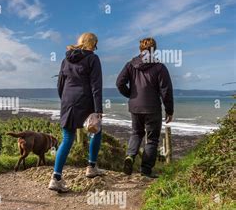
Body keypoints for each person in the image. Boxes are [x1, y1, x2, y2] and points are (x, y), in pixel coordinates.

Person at [49, 32, 104, 193]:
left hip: (68, 102)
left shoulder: (66, 59)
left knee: (67, 138)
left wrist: (65, 100)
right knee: (95, 131)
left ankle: (56, 177)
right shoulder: (93, 59)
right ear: (92, 44)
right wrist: (98, 110)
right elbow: (96, 86)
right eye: (95, 44)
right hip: (85, 102)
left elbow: (60, 84)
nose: (96, 47)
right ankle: (91, 166)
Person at [116, 37, 174, 178]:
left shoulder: (130, 65)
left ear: (140, 49)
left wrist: (131, 94)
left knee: (136, 133)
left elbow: (119, 83)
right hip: (152, 108)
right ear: (154, 50)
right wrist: (169, 110)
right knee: (152, 139)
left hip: (135, 106)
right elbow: (166, 90)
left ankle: (130, 156)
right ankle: (146, 170)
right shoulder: (159, 67)